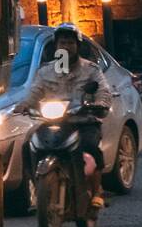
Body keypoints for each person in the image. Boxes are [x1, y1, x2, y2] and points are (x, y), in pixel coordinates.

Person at [23, 23, 113, 209]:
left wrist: (98, 104)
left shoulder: (91, 70)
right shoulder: (46, 71)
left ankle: (97, 190)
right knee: (28, 146)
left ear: (78, 46)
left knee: (90, 147)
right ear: (56, 46)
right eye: (62, 43)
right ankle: (38, 188)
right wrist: (22, 105)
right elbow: (34, 92)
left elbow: (103, 92)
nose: (66, 46)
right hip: (53, 122)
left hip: (83, 121)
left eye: (70, 43)